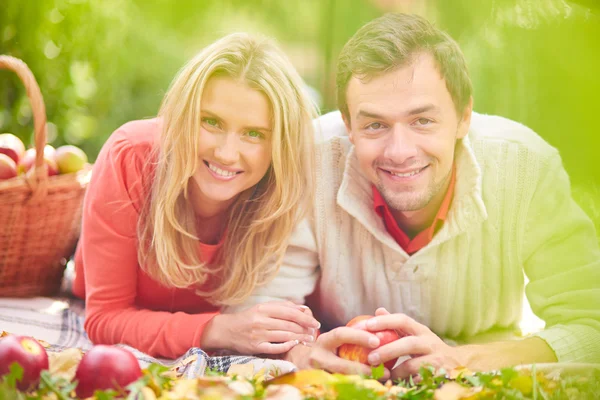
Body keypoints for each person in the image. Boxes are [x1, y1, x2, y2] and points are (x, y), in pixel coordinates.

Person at [227, 13, 600, 378]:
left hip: (485, 373)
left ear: (464, 115)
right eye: (375, 125)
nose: (399, 151)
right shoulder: (308, 159)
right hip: (341, 379)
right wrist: (302, 353)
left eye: (422, 120)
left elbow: (590, 324)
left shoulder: (526, 167)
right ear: (348, 125)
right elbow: (260, 312)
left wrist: (469, 360)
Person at [72, 33, 321, 359]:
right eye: (212, 122)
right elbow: (105, 318)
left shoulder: (282, 190)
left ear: (278, 145)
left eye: (253, 134)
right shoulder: (131, 157)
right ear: (184, 114)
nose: (227, 153)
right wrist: (218, 329)